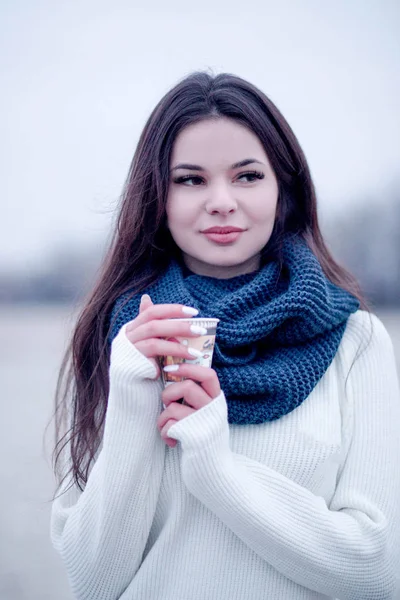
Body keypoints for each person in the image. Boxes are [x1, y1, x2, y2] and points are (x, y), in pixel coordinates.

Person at [50, 71, 400, 600]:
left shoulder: (357, 342)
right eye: (190, 179)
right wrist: (130, 395)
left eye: (247, 176)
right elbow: (93, 583)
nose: (220, 201)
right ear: (157, 197)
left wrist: (216, 469)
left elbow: (374, 571)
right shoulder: (122, 340)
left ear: (285, 189)